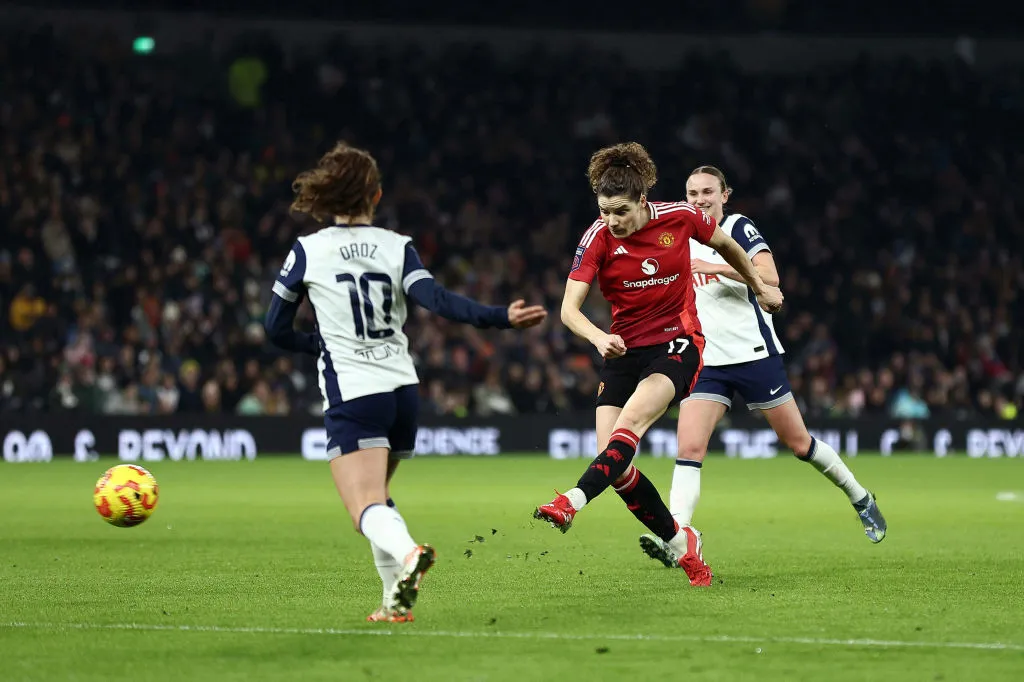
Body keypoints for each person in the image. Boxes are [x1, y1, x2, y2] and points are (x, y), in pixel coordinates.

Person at [264, 142, 547, 622]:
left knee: (363, 509)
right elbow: (436, 300)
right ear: (375, 196)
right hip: (402, 392)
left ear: (328, 197)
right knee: (378, 502)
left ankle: (413, 555)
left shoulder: (308, 251)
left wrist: (318, 344)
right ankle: (393, 601)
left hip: (354, 393)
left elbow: (274, 328)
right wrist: (501, 316)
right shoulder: (397, 246)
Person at [532, 143, 783, 587]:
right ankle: (684, 544)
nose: (612, 221)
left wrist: (760, 286)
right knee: (614, 463)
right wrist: (598, 337)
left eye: (621, 211)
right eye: (605, 211)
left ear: (642, 202)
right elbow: (569, 310)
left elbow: (727, 245)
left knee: (629, 424)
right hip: (622, 349)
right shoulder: (597, 238)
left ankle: (570, 501)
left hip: (679, 344)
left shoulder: (679, 218)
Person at [638, 166, 887, 571]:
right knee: (689, 449)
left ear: (724, 195)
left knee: (799, 444)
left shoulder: (738, 227)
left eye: (707, 192)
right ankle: (678, 538)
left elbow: (769, 278)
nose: (699, 199)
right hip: (707, 361)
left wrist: (719, 268)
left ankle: (861, 497)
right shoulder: (681, 235)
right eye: (691, 193)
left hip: (754, 355)